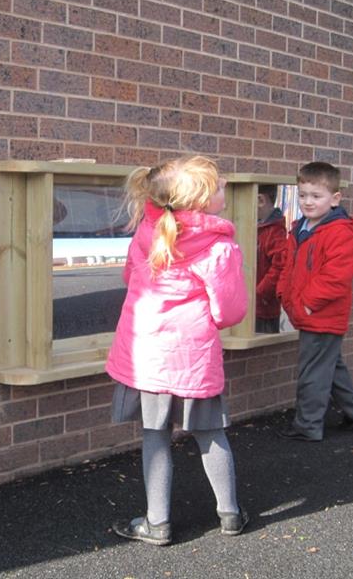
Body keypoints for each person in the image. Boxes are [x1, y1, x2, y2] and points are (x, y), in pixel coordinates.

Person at [106, 155, 248, 546]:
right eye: (219, 186)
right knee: (210, 434)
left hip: (147, 355)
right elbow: (230, 311)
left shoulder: (146, 233)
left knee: (155, 436)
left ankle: (158, 524)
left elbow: (128, 278)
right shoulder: (219, 247)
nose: (225, 189)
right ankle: (230, 514)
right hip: (193, 359)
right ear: (202, 201)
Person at [275, 162, 353, 442]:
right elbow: (287, 266)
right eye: (303, 194)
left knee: (313, 373)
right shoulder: (299, 227)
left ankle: (308, 425)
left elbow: (336, 276)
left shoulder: (338, 232)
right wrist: (285, 294)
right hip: (307, 311)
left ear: (335, 199)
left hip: (322, 314)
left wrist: (307, 303)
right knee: (330, 367)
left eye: (316, 196)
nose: (308, 201)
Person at [255, 184, 287, 333]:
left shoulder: (274, 231)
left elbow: (281, 266)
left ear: (261, 200)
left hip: (264, 310)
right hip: (254, 305)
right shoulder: (257, 226)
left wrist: (259, 292)